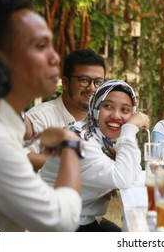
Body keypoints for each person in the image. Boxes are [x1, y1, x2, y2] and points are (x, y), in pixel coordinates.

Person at [0, 0, 82, 231]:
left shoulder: (13, 123)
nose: (55, 58)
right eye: (40, 46)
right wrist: (70, 145)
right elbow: (61, 221)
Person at [39, 80, 150, 232]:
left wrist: (126, 137)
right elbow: (123, 178)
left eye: (125, 110)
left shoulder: (104, 139)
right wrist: (129, 129)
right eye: (108, 106)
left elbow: (133, 173)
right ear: (95, 107)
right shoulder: (78, 139)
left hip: (81, 219)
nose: (116, 115)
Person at [24, 49, 106, 171]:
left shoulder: (102, 120)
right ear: (66, 83)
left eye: (98, 82)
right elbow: (19, 155)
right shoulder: (39, 117)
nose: (92, 88)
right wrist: (71, 164)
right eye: (84, 80)